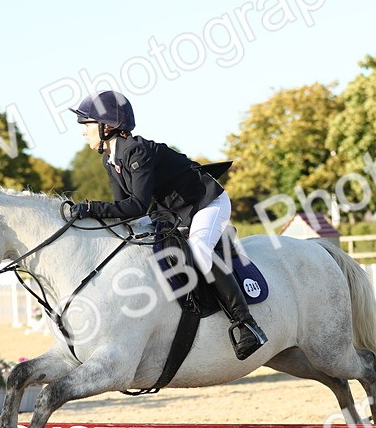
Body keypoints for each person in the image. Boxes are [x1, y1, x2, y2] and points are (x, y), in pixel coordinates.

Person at [68, 90, 268, 360]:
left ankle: (246, 324)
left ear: (107, 126)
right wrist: (92, 214)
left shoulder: (136, 150)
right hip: (176, 212)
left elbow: (138, 205)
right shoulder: (111, 159)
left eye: (87, 124)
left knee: (199, 250)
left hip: (207, 203)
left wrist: (92, 208)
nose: (83, 131)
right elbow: (124, 210)